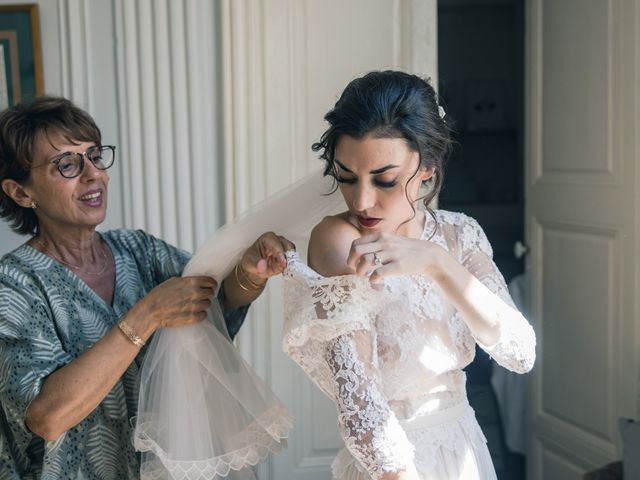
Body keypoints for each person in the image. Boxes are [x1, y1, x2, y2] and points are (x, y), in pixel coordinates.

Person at [0, 96, 293, 479]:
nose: (93, 175)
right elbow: (47, 417)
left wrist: (251, 271)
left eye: (95, 155)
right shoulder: (14, 286)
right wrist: (148, 314)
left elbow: (216, 303)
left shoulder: (139, 250)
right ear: (21, 193)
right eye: (67, 164)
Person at [281, 70, 536, 480]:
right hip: (389, 468)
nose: (362, 200)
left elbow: (521, 354)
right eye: (347, 177)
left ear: (428, 169)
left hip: (462, 449)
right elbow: (360, 407)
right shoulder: (338, 241)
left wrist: (437, 263)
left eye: (385, 180)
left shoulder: (459, 235)